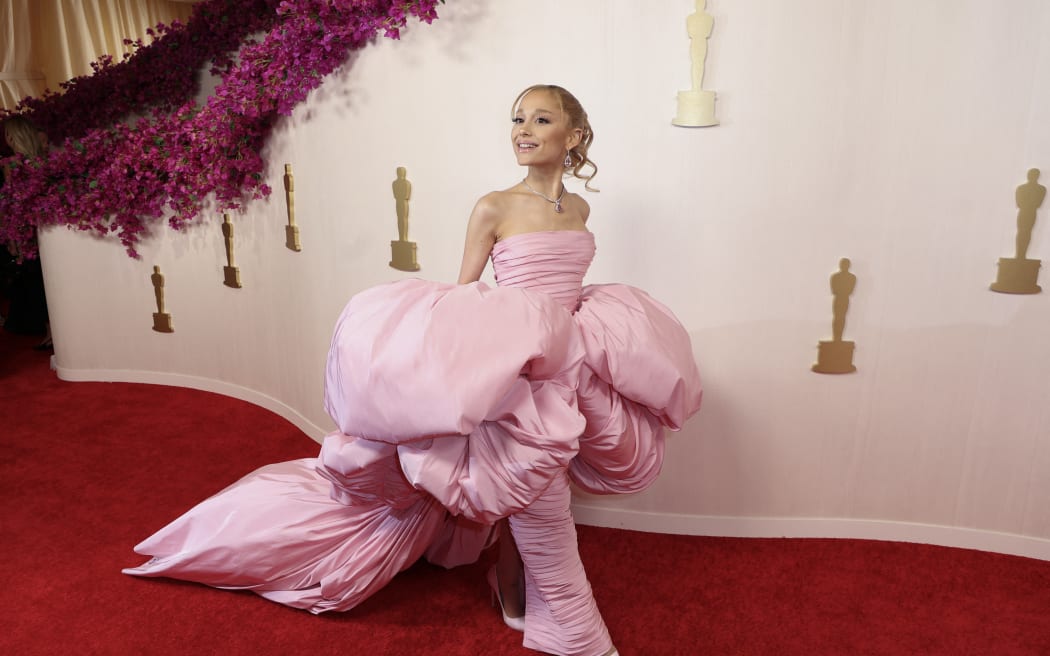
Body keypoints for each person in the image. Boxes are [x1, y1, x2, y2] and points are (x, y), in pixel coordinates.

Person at [124, 85, 702, 656]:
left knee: (536, 489)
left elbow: (567, 288)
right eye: (517, 118)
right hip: (523, 369)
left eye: (541, 120)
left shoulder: (579, 208)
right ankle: (579, 641)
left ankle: (509, 582)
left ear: (573, 136)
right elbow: (466, 288)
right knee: (544, 506)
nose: (523, 129)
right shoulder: (494, 206)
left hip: (575, 359)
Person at [1, 116, 51, 348]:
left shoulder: (12, 165)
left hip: (27, 228)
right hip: (40, 226)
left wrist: (11, 234)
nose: (6, 139)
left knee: (37, 279)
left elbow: (10, 201)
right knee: (42, 279)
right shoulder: (42, 160)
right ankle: (51, 329)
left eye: (9, 134)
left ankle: (50, 331)